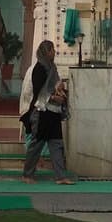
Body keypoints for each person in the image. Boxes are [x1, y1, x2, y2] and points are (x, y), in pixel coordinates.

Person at [21, 40, 74, 185]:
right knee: (37, 144)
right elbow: (38, 91)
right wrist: (53, 97)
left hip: (53, 112)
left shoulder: (52, 68)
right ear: (47, 51)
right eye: (52, 50)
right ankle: (27, 174)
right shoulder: (39, 68)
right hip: (42, 111)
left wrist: (60, 88)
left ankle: (60, 176)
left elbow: (55, 83)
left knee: (56, 143)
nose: (54, 53)